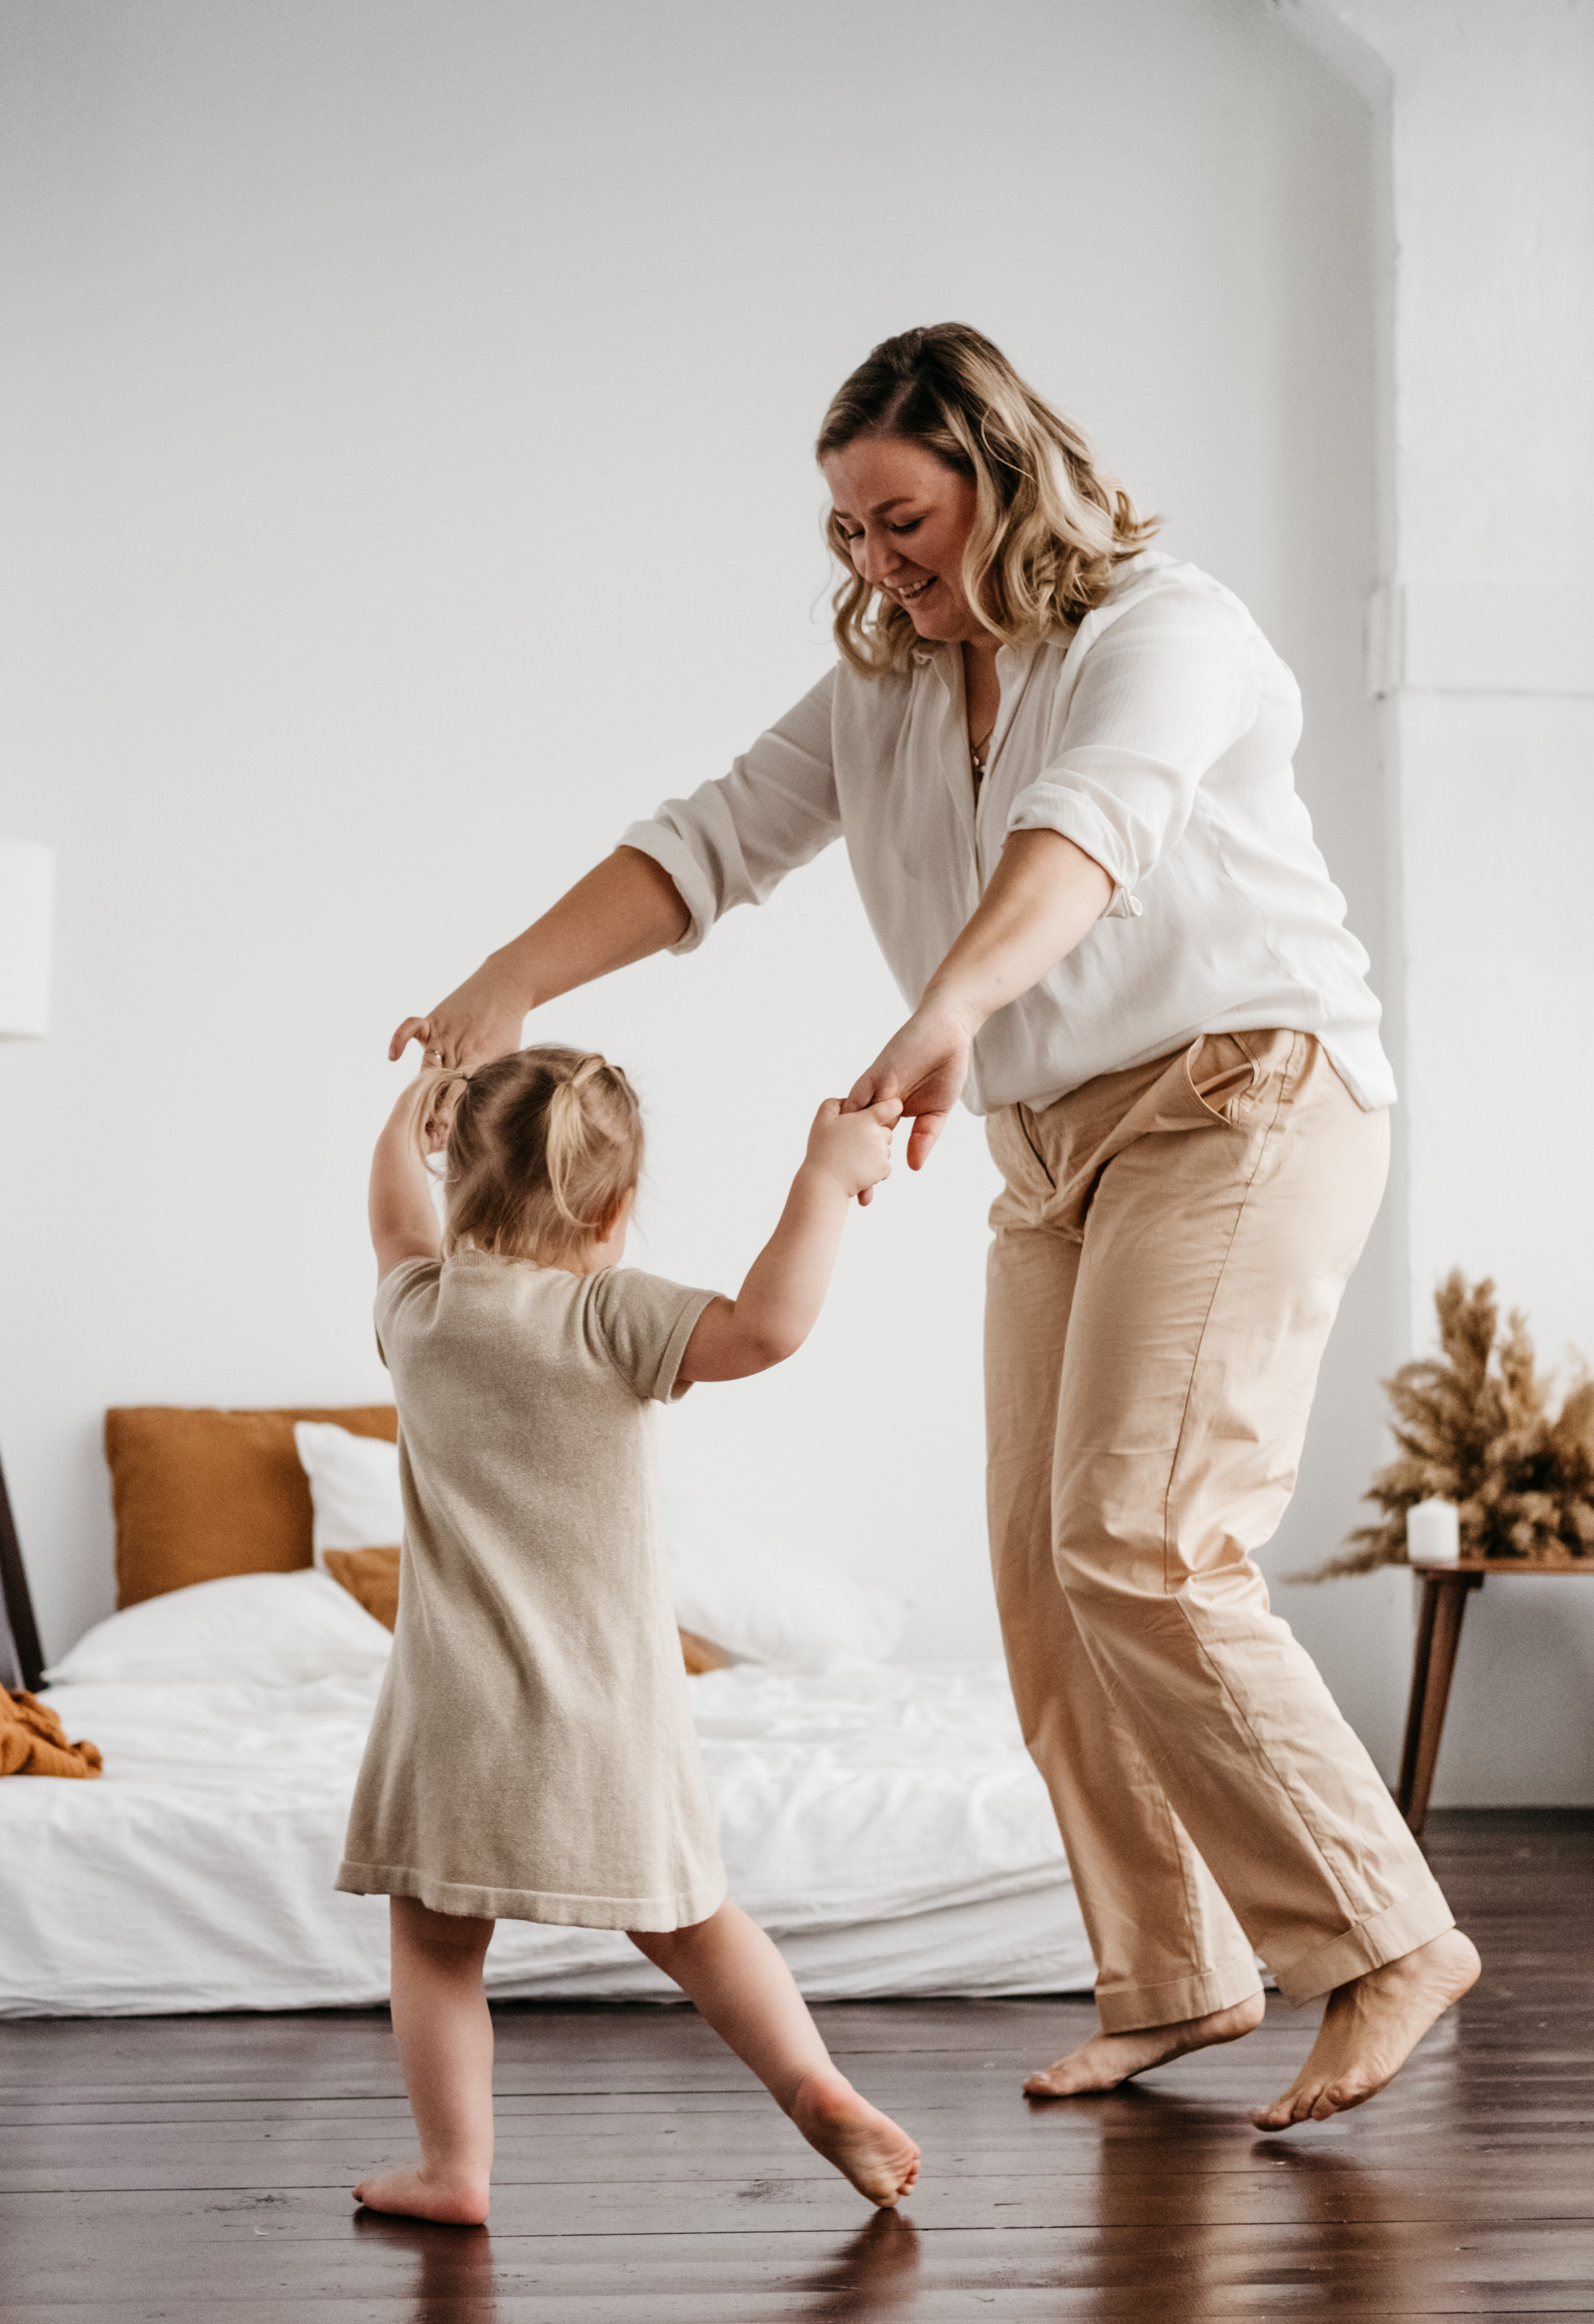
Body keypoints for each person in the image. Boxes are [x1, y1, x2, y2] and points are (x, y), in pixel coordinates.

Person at [393, 324, 1480, 2132]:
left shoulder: (1164, 631)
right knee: (1044, 1577)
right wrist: (509, 977)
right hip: (1048, 1147)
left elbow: (1087, 834)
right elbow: (711, 841)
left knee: (1140, 1538)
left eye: (900, 519)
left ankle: (1385, 1937)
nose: (874, 561)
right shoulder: (885, 685)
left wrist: (948, 1007)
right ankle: (1172, 1976)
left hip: (1241, 1096)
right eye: (846, 530)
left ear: (1004, 474)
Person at [339, 1041, 920, 2221]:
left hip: (453, 1719)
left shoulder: (422, 1310)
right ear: (612, 1209)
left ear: (456, 1178)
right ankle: (810, 2085)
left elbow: (393, 1224)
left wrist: (408, 1113)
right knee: (692, 1919)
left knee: (437, 1948)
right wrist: (821, 1178)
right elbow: (766, 1329)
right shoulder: (612, 1320)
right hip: (608, 1716)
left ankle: (453, 2171)